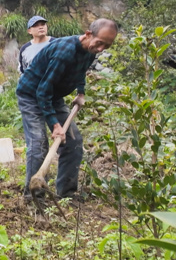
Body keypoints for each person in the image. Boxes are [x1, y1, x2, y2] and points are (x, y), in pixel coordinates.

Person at [16, 18, 118, 201]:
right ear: (88, 34)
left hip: (53, 96)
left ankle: (66, 193)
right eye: (100, 43)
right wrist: (55, 125)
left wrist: (81, 92)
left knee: (74, 141)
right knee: (39, 144)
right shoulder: (64, 51)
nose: (101, 49)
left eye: (107, 46)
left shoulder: (90, 50)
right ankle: (34, 198)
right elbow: (42, 91)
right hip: (32, 95)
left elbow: (80, 71)